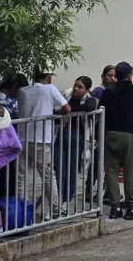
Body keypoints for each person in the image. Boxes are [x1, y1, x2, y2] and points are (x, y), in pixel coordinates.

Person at [98, 62, 133, 220]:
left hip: (110, 135)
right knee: (130, 173)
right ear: (129, 76)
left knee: (111, 173)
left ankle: (114, 208)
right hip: (130, 135)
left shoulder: (108, 91)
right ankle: (131, 208)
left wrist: (100, 135)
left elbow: (100, 112)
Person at [16, 69, 70, 221]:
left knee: (21, 178)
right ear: (48, 77)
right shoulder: (50, 89)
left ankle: (22, 211)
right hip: (40, 139)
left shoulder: (23, 91)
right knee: (48, 177)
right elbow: (67, 108)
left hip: (22, 138)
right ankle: (55, 209)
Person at [55, 76, 99, 214]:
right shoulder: (66, 96)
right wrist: (68, 109)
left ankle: (66, 202)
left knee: (71, 171)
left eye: (80, 87)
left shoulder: (89, 100)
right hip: (61, 135)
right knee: (59, 170)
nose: (75, 89)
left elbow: (90, 106)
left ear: (86, 90)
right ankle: (57, 201)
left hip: (77, 137)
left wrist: (69, 110)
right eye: (75, 85)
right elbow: (56, 111)